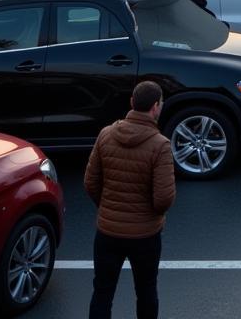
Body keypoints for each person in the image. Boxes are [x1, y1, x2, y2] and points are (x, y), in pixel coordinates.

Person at [85, 80, 175, 319]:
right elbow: (164, 198)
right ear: (156, 107)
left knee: (102, 292)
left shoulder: (106, 134)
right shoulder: (160, 145)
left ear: (132, 102)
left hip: (107, 232)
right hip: (145, 237)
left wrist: (107, 208)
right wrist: (153, 215)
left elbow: (90, 183)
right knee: (146, 291)